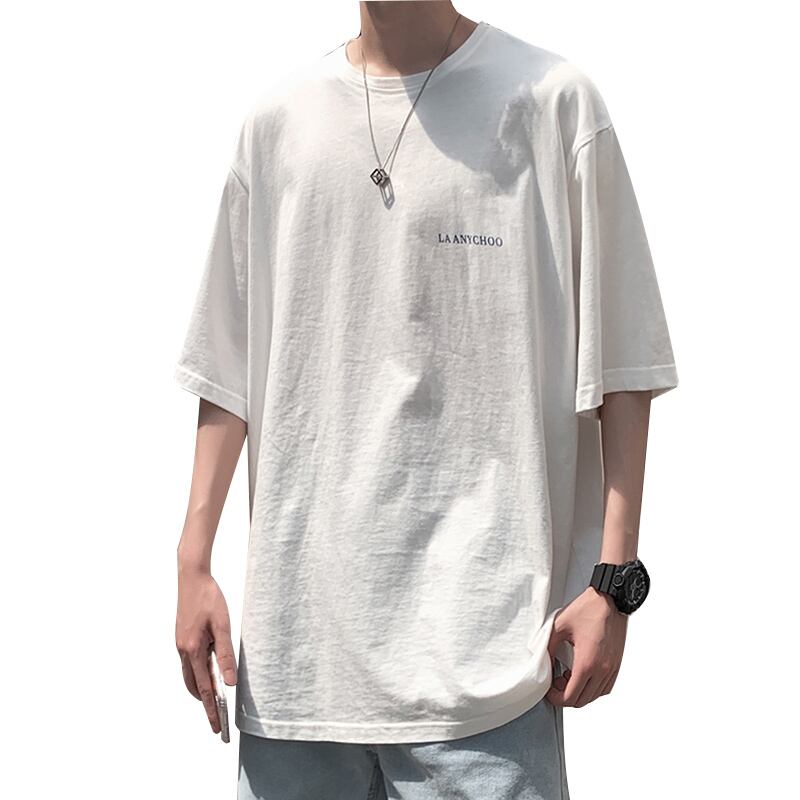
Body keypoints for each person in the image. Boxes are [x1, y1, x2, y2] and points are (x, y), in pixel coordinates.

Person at [174, 2, 679, 798]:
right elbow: (227, 368)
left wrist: (613, 584)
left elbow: (624, 357)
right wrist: (192, 563)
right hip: (300, 671)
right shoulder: (279, 123)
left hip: (488, 677)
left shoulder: (552, 103)